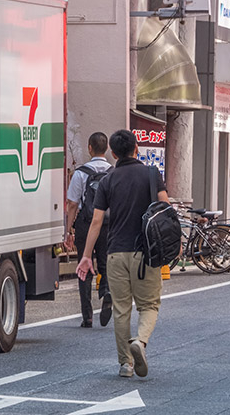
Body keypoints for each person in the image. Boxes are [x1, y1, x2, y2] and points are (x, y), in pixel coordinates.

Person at [76, 129, 168, 378]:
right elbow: (165, 209)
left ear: (113, 153)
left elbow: (96, 222)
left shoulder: (107, 179)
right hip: (145, 253)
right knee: (149, 305)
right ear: (136, 147)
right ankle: (141, 342)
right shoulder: (151, 175)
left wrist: (86, 256)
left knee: (121, 309)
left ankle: (126, 364)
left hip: (116, 253)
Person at [64, 132, 112, 328]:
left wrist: (68, 230)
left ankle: (87, 316)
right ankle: (107, 291)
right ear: (107, 149)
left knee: (84, 266)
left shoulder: (81, 172)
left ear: (89, 148)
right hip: (108, 223)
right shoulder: (113, 172)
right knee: (105, 262)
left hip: (86, 223)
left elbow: (73, 203)